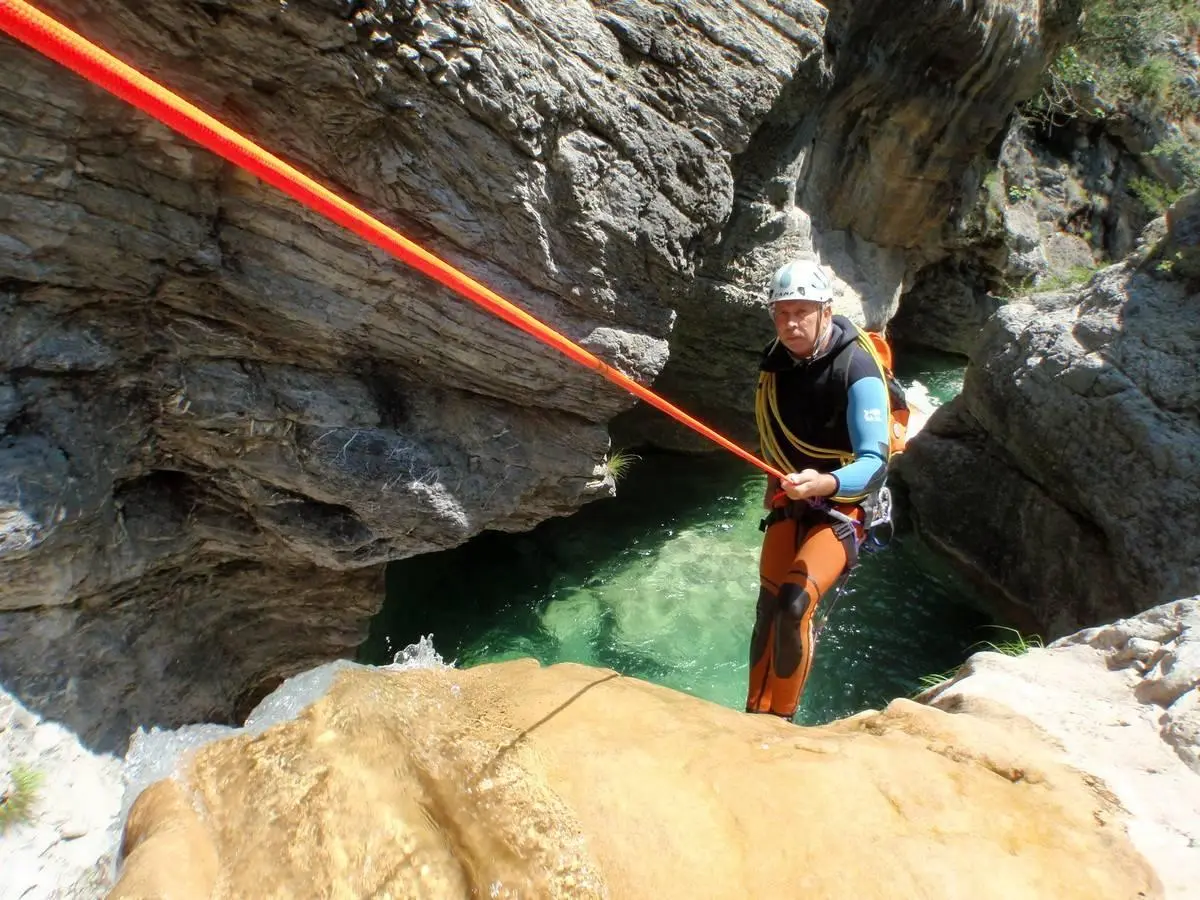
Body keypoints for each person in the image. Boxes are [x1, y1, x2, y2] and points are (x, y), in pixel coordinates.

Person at [746, 258, 892, 721]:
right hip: (793, 498)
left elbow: (875, 463)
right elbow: (773, 435)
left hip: (843, 506)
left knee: (793, 606)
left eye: (802, 312)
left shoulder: (857, 369)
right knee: (768, 606)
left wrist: (826, 482)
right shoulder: (776, 365)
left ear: (825, 312)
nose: (790, 323)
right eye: (782, 313)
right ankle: (752, 712)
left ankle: (781, 722)